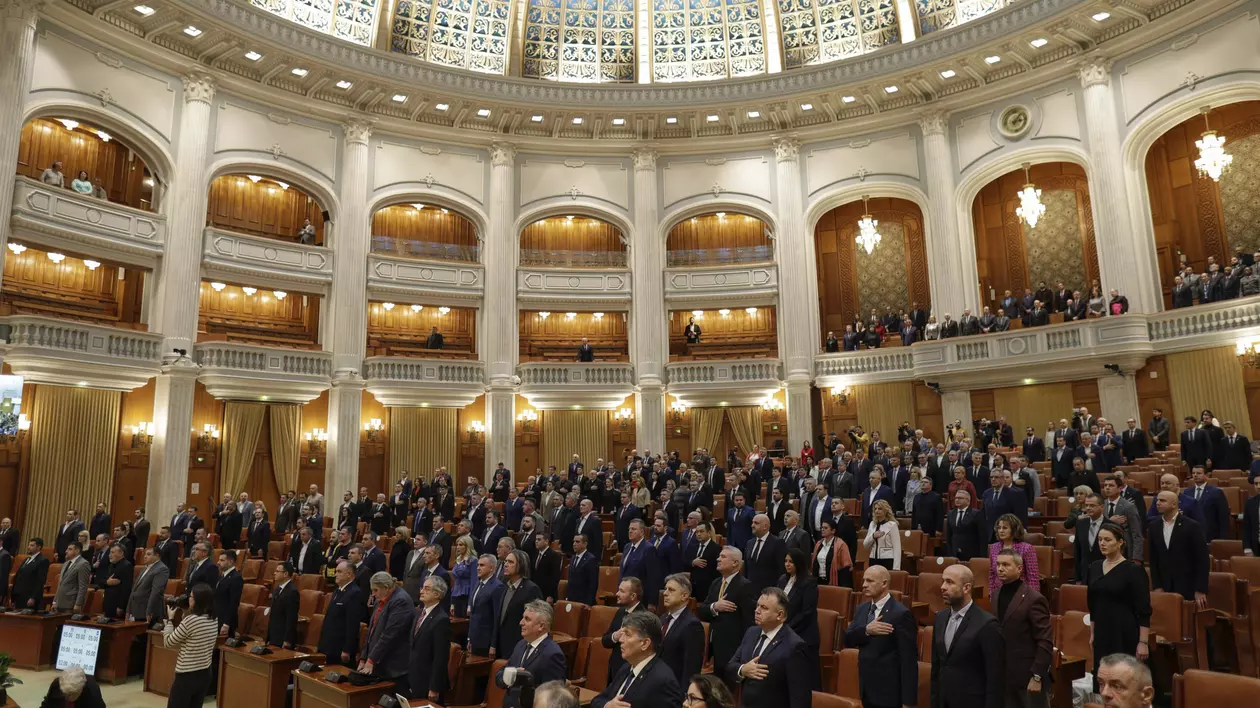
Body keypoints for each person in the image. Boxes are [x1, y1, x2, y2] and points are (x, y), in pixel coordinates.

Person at [844, 565, 918, 708]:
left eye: (870, 581)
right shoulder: (862, 609)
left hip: (888, 693)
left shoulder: (901, 614)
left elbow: (908, 661)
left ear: (884, 583)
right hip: (865, 688)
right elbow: (848, 639)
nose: (864, 585)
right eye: (864, 580)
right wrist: (866, 630)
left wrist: (908, 702)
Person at [930, 565, 1004, 708]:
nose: (943, 587)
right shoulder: (940, 618)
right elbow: (937, 667)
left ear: (966, 588)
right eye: (943, 581)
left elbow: (995, 678)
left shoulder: (986, 624)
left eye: (950, 582)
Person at [1086, 523, 1151, 685]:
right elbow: (1092, 604)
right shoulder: (1094, 567)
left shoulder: (1133, 570)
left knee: (1123, 680)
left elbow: (1144, 610)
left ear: (1120, 542)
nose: (1102, 543)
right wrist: (1093, 633)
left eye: (1108, 540)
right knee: (1103, 678)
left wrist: (1143, 642)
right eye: (1100, 539)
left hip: (1124, 631)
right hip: (1101, 630)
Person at [726, 587, 810, 708]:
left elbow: (800, 698)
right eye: (758, 605)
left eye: (764, 608)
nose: (757, 611)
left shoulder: (795, 646)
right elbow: (730, 666)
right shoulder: (751, 633)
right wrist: (743, 669)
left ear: (780, 615)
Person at [994, 548, 1053, 708]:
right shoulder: (995, 594)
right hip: (1004, 675)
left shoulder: (1034, 598)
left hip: (1028, 676)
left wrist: (1037, 676)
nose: (1000, 568)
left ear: (1019, 569)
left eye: (1006, 564)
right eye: (998, 564)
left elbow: (1045, 641)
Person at [591, 610, 683, 708]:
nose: (621, 640)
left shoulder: (663, 680)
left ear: (645, 643)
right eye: (622, 634)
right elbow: (597, 700)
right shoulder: (626, 667)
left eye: (628, 634)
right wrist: (607, 706)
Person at [697, 547, 754, 687]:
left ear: (735, 563)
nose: (718, 559)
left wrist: (744, 651)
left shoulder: (744, 586)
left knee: (728, 691)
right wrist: (714, 606)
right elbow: (702, 611)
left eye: (723, 557)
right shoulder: (716, 583)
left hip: (733, 649)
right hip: (715, 646)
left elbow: (749, 622)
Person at [494, 600, 567, 708]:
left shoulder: (553, 654)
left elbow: (553, 699)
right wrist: (511, 676)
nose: (521, 622)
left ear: (541, 626)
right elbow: (500, 675)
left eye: (527, 619)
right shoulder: (521, 644)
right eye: (523, 617)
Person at [1147, 490, 1210, 606]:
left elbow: (1202, 559)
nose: (1158, 503)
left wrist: (1200, 589)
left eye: (1162, 500)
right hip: (1164, 585)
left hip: (1187, 584)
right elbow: (1153, 558)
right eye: (1157, 500)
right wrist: (1157, 586)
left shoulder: (1192, 526)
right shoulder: (1154, 526)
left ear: (1174, 504)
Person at [162, 583, 218, 708]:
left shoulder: (191, 620)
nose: (189, 599)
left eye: (191, 597)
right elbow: (193, 634)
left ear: (198, 601)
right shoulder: (214, 619)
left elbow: (168, 642)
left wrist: (170, 620)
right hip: (205, 673)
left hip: (187, 675)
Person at [360, 571, 415, 696]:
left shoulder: (401, 601)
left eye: (375, 590)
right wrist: (364, 657)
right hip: (380, 661)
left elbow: (389, 635)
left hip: (394, 666)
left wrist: (371, 660)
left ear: (386, 587)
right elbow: (371, 631)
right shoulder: (381, 598)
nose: (373, 594)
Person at [778, 549, 820, 690]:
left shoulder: (809, 583)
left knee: (805, 679)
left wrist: (787, 627)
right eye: (785, 561)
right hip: (784, 630)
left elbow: (807, 612)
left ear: (799, 563)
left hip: (803, 633)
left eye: (791, 562)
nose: (787, 564)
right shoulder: (782, 580)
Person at [409, 576, 452, 702]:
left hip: (428, 682)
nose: (421, 591)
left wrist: (434, 687)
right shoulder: (418, 613)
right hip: (414, 676)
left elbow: (441, 657)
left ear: (437, 594)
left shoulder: (441, 619)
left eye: (427, 588)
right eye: (422, 587)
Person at [658, 573, 704, 684]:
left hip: (673, 687)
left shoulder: (692, 625)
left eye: (671, 590)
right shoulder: (662, 618)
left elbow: (691, 668)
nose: (665, 593)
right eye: (665, 589)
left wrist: (684, 696)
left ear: (684, 596)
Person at [498, 549, 544, 656]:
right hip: (502, 645)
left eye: (510, 562)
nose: (506, 565)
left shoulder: (531, 589)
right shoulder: (505, 587)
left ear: (521, 565)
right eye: (505, 561)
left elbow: (537, 620)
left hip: (519, 645)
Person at [986, 514, 1040, 597]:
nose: (1001, 531)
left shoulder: (1027, 548)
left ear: (1014, 529)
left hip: (1020, 593)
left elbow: (1033, 577)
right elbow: (992, 575)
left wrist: (1032, 599)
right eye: (999, 528)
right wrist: (992, 594)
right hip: (999, 592)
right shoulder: (993, 548)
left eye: (1005, 528)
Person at [467, 553, 506, 659]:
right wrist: (469, 638)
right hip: (474, 638)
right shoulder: (478, 583)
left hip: (486, 641)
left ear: (491, 568)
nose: (478, 568)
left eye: (482, 565)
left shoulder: (497, 587)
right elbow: (474, 615)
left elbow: (496, 618)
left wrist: (493, 645)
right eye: (478, 565)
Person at [1184, 465, 1230, 541]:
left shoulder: (1216, 492)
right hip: (1191, 533)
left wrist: (1223, 538)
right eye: (1193, 473)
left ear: (1206, 475)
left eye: (1198, 473)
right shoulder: (1187, 492)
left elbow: (1223, 516)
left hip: (1210, 533)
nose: (1195, 475)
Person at [743, 513, 786, 595]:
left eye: (756, 523)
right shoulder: (749, 543)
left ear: (765, 526)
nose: (752, 525)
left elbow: (781, 569)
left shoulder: (777, 543)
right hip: (750, 590)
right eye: (752, 522)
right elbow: (746, 568)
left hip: (769, 591)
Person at [128, 546, 170, 623]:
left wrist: (149, 610)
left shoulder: (162, 569)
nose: (145, 556)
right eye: (145, 554)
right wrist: (129, 609)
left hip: (148, 611)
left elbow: (156, 591)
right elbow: (134, 590)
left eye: (148, 554)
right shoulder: (144, 568)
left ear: (157, 556)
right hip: (136, 609)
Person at [38, 665, 105, 708]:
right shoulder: (57, 685)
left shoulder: (92, 692)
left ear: (81, 689)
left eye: (72, 694)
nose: (68, 697)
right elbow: (47, 705)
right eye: (65, 694)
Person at [267, 561, 300, 648]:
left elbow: (291, 618)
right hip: (274, 635)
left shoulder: (292, 592)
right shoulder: (277, 588)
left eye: (277, 571)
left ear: (285, 574)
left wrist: (288, 640)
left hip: (282, 638)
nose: (274, 573)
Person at [52, 541, 90, 614]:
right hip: (59, 603)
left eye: (70, 549)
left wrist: (78, 604)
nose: (66, 551)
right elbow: (61, 584)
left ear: (77, 551)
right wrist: (54, 601)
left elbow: (83, 586)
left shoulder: (83, 564)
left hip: (71, 604)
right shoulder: (66, 563)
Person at [863, 499, 901, 570]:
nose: (877, 511)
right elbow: (865, 545)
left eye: (880, 509)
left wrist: (896, 568)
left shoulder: (892, 525)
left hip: (887, 559)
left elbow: (897, 548)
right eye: (875, 509)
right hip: (873, 558)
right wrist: (873, 536)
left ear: (885, 510)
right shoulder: (872, 524)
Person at [214, 550, 243, 638]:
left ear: (230, 562)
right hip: (217, 618)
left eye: (222, 560)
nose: (218, 562)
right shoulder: (222, 576)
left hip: (225, 622)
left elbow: (233, 603)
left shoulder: (236, 578)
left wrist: (226, 624)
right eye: (219, 560)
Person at [566, 533, 599, 606]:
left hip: (584, 601)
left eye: (577, 542)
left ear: (585, 544)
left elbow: (593, 584)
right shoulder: (573, 558)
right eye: (573, 541)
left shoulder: (591, 559)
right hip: (572, 599)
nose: (574, 544)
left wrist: (589, 603)